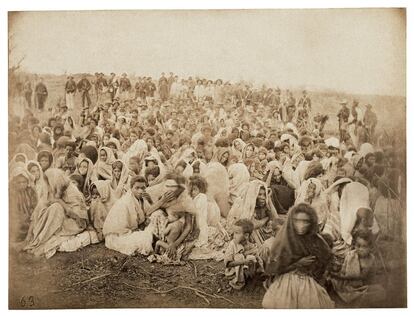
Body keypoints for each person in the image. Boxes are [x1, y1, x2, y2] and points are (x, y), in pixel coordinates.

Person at [262, 203, 334, 309]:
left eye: (306, 221)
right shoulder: (285, 240)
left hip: (309, 283)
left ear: (312, 222)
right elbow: (274, 269)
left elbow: (326, 260)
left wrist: (315, 276)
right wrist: (298, 263)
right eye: (297, 220)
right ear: (291, 221)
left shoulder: (316, 240)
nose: (301, 225)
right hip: (285, 282)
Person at [23, 169, 90, 258]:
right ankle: (35, 238)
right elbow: (39, 209)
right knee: (47, 206)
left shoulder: (72, 191)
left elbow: (77, 214)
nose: (47, 184)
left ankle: (41, 240)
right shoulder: (51, 189)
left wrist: (60, 202)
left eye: (49, 181)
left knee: (56, 207)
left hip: (74, 221)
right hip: (59, 219)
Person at [328, 230, 386, 307]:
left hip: (362, 285)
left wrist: (338, 276)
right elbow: (344, 270)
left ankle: (357, 297)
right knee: (334, 283)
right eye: (358, 245)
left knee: (380, 291)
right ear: (354, 244)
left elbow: (361, 277)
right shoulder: (351, 255)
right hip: (347, 284)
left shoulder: (370, 259)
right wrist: (338, 275)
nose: (360, 249)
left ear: (370, 247)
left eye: (364, 246)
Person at [224, 219, 263, 290]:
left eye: (236, 233)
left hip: (247, 270)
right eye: (233, 232)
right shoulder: (232, 245)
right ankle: (239, 281)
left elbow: (257, 258)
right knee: (239, 257)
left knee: (252, 257)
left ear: (246, 235)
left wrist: (259, 265)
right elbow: (227, 264)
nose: (233, 235)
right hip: (234, 272)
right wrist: (243, 262)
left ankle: (251, 278)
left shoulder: (251, 245)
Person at [9, 166, 38, 246]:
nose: (22, 184)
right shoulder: (10, 192)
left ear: (27, 182)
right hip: (16, 219)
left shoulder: (31, 191)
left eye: (24, 182)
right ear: (15, 182)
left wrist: (31, 214)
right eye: (19, 182)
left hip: (29, 218)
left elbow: (35, 206)